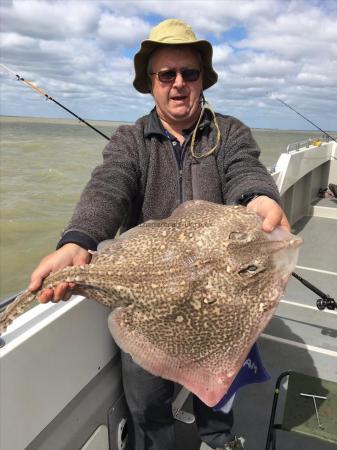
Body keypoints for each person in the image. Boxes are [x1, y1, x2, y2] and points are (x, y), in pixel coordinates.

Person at [28, 19, 290, 450]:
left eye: (189, 73)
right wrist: (77, 240)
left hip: (218, 301)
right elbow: (108, 186)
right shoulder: (132, 141)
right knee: (148, 405)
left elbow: (245, 169)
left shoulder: (228, 134)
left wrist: (257, 196)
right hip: (151, 304)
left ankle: (218, 441)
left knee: (221, 392)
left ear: (203, 79)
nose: (179, 84)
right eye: (166, 74)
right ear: (150, 83)